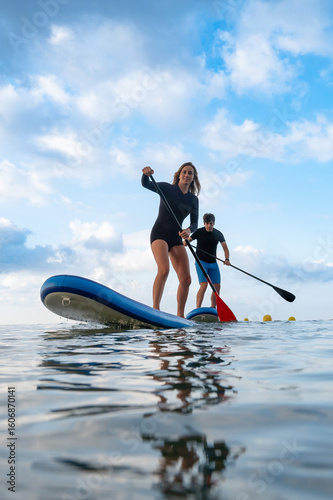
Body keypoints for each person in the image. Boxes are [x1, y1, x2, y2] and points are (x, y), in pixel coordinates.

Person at [142, 162, 200, 317]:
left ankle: (180, 316)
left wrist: (188, 230)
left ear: (193, 178)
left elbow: (195, 223)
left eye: (190, 173)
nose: (187, 175)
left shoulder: (193, 200)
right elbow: (146, 184)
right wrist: (145, 174)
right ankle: (155, 309)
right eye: (185, 172)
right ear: (179, 174)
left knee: (186, 279)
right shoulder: (167, 188)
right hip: (159, 234)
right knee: (164, 270)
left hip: (175, 237)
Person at [185, 213, 230, 309]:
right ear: (204, 223)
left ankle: (213, 308)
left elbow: (225, 248)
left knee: (217, 287)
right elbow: (188, 241)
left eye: (211, 223)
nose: (209, 226)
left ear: (214, 223)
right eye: (207, 223)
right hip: (201, 262)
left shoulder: (218, 234)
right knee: (204, 285)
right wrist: (185, 242)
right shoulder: (199, 232)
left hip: (213, 264)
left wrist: (227, 259)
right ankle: (198, 309)